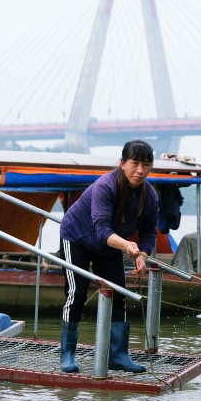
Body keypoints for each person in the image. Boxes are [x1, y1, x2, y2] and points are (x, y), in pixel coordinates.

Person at [59, 140, 158, 374]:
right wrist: (126, 245)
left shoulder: (150, 195)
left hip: (110, 244)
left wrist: (142, 256)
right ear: (123, 163)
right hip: (78, 237)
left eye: (146, 165)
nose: (140, 170)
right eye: (134, 163)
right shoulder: (106, 186)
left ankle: (117, 355)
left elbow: (149, 232)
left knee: (118, 294)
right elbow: (102, 229)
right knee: (77, 293)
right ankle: (67, 355)